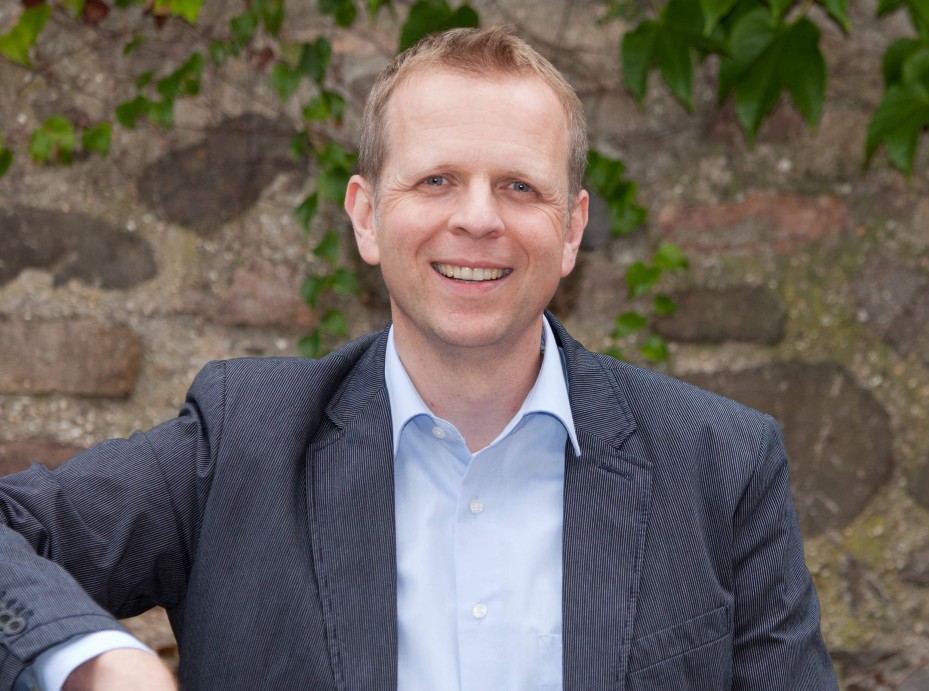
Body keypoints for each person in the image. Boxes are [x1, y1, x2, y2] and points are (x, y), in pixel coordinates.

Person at [0, 26, 838, 690]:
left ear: (573, 227)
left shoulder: (719, 465)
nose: (477, 218)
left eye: (519, 186)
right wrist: (94, 658)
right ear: (366, 216)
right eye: (436, 180)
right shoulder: (240, 440)